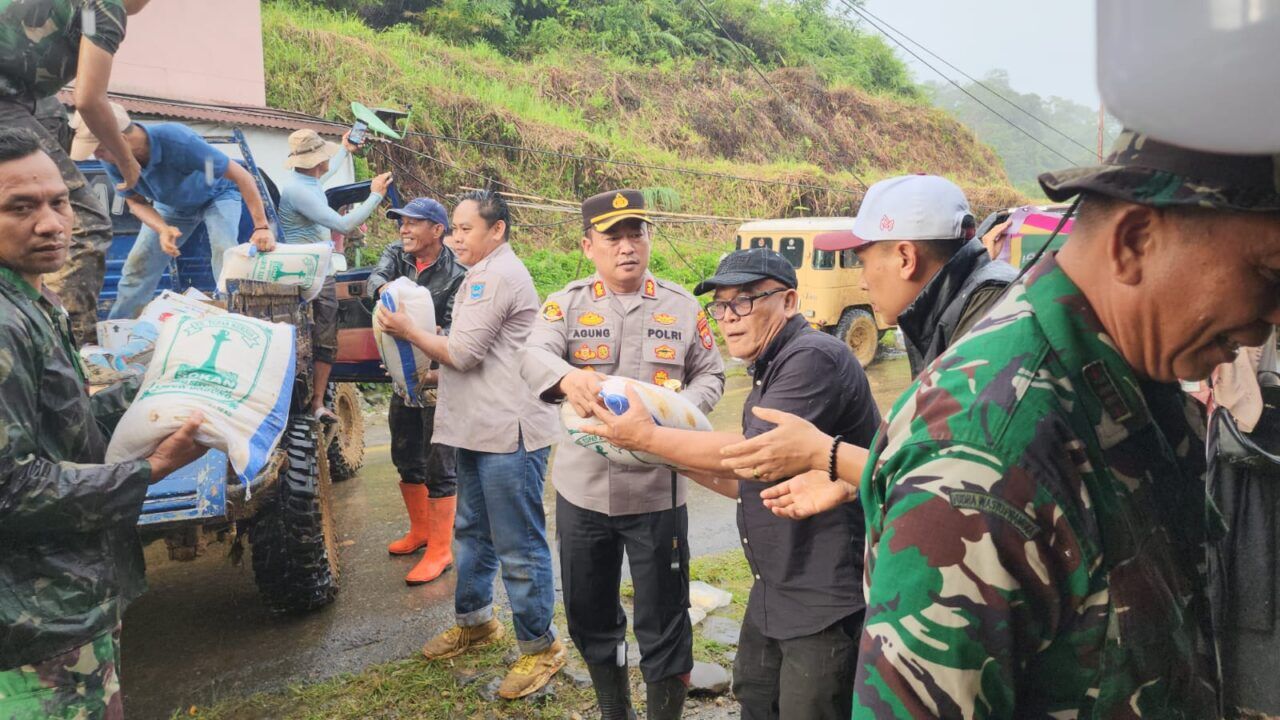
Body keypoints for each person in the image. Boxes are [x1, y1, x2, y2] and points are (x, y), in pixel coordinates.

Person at [841, 130, 1280, 717]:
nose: (1272, 317)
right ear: (1132, 243)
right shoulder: (985, 451)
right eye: (1269, 271)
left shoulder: (1138, 381)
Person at [586, 248, 881, 720]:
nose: (728, 317)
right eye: (720, 306)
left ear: (788, 301)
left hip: (826, 597)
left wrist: (650, 435)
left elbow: (752, 454)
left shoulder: (813, 356)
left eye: (743, 301)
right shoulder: (769, 368)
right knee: (756, 699)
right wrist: (663, 455)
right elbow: (752, 481)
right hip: (774, 589)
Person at [0, 127, 209, 720]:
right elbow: (9, 486)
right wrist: (149, 469)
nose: (50, 223)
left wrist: (150, 390)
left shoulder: (31, 300)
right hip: (32, 625)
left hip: (68, 601)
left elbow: (63, 425)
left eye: (58, 202)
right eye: (20, 207)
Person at [520, 189, 726, 719]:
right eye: (614, 236)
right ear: (589, 246)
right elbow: (533, 354)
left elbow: (712, 372)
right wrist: (568, 377)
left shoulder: (681, 306)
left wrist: (676, 410)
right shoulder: (566, 304)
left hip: (659, 491)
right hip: (583, 491)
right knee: (590, 614)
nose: (628, 246)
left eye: (637, 233)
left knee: (665, 618)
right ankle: (616, 712)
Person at [376, 189, 564, 700]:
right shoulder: (481, 274)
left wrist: (408, 332)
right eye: (454, 229)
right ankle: (478, 621)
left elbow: (463, 353)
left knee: (518, 543)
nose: (457, 237)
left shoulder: (498, 275)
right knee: (472, 531)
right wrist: (418, 373)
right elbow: (476, 356)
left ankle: (540, 646)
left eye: (465, 229)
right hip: (480, 426)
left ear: (496, 230)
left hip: (509, 430)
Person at [0, 0, 154, 345]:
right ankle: (68, 348)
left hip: (21, 97)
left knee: (52, 114)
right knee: (83, 223)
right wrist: (126, 160)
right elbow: (88, 99)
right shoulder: (105, 6)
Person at [67, 103, 275, 319]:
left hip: (217, 194)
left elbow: (243, 177)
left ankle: (235, 319)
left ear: (120, 138)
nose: (97, 155)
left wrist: (261, 227)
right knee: (137, 267)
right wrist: (163, 228)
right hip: (172, 207)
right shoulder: (113, 162)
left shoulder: (178, 141)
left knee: (224, 250)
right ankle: (119, 332)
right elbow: (135, 203)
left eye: (99, 148)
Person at [823, 174, 1016, 377]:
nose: (862, 283)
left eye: (863, 262)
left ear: (906, 259)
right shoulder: (953, 307)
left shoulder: (991, 311)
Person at [365, 197, 466, 585]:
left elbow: (455, 331)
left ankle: (441, 549)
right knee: (404, 453)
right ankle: (420, 532)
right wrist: (387, 288)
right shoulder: (397, 254)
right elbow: (374, 280)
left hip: (437, 379)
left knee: (439, 462)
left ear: (437, 230)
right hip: (401, 378)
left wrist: (422, 332)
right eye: (401, 223)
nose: (404, 230)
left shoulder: (457, 273)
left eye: (413, 223)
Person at [277, 128, 391, 422]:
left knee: (326, 340)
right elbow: (343, 224)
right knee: (307, 341)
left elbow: (324, 180)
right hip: (304, 277)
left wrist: (344, 150)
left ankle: (317, 403)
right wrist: (376, 196)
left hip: (322, 273)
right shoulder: (300, 192)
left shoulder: (309, 182)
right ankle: (307, 400)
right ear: (317, 161)